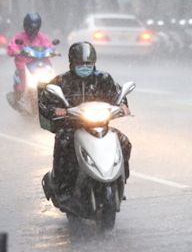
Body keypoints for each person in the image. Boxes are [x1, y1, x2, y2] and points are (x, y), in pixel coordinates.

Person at [39, 41, 132, 195]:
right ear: (72, 62)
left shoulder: (103, 78)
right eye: (80, 63)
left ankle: (120, 179)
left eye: (88, 63)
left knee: (124, 142)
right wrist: (56, 110)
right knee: (63, 142)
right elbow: (45, 101)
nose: (85, 66)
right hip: (71, 126)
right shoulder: (62, 81)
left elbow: (117, 95)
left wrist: (122, 104)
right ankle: (60, 183)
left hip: (101, 125)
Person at [7, 13, 53, 107]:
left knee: (53, 81)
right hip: (24, 65)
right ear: (25, 26)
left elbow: (49, 45)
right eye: (30, 28)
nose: (33, 31)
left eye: (35, 28)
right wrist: (15, 50)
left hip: (41, 64)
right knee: (22, 84)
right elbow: (12, 46)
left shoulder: (41, 37)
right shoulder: (19, 37)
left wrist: (52, 51)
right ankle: (19, 99)